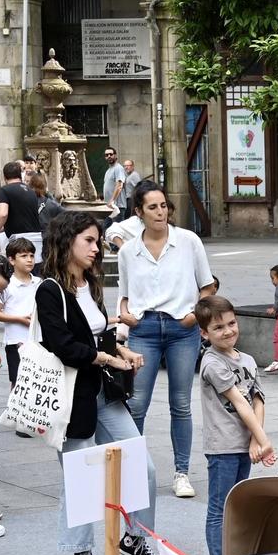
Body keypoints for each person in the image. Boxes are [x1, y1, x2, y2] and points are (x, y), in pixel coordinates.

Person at [36, 209, 160, 555]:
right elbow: (62, 344)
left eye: (97, 241)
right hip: (72, 395)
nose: (96, 248)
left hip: (102, 390)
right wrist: (108, 358)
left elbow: (98, 334)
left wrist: (122, 352)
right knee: (82, 476)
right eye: (88, 241)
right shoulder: (50, 289)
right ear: (66, 242)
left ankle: (135, 537)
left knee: (143, 466)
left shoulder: (90, 285)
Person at [114, 183, 217, 499]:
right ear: (139, 212)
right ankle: (131, 474)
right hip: (144, 329)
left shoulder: (188, 241)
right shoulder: (128, 251)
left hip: (181, 330)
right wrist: (125, 315)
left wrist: (192, 317)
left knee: (181, 404)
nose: (160, 212)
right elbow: (125, 295)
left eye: (164, 206)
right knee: (136, 404)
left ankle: (182, 473)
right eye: (152, 207)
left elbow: (208, 287)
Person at [194, 295, 278, 555]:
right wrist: (264, 441)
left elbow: (258, 400)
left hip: (244, 444)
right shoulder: (212, 363)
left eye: (231, 323)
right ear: (204, 333)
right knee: (220, 509)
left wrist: (256, 439)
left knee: (237, 507)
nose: (228, 331)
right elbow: (239, 401)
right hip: (223, 446)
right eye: (218, 328)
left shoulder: (249, 360)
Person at [0, 237, 40, 386]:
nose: (29, 260)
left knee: (37, 380)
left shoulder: (39, 283)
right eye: (23, 256)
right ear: (11, 260)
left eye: (31, 255)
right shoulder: (7, 285)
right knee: (18, 381)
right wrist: (19, 319)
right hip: (15, 340)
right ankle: (15, 409)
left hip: (38, 339)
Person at [0, 161, 41, 252]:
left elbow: (3, 214)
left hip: (19, 242)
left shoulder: (4, 190)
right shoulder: (31, 191)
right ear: (20, 175)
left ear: (4, 177)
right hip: (36, 239)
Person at [100, 148, 124, 217]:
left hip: (117, 206)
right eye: (107, 155)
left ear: (115, 156)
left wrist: (112, 200)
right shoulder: (108, 171)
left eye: (111, 154)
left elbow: (119, 185)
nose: (109, 156)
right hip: (109, 207)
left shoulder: (118, 168)